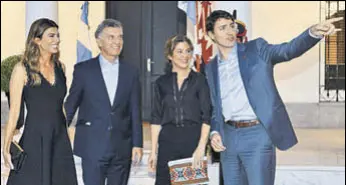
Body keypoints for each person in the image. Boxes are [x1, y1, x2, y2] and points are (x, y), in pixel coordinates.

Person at [204, 10, 343, 185]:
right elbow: (215, 107)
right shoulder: (210, 68)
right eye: (222, 28)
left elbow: (288, 50)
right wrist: (215, 132)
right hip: (228, 139)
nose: (230, 32)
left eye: (232, 26)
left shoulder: (257, 49)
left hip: (257, 135)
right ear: (211, 34)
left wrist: (313, 33)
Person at [64, 19, 143, 185]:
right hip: (92, 147)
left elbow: (135, 110)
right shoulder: (83, 70)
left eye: (120, 37)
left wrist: (138, 144)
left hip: (122, 148)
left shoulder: (131, 72)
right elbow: (71, 106)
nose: (117, 42)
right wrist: (58, 134)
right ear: (99, 41)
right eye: (111, 37)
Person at [2, 18, 78, 185]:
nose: (57, 40)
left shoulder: (61, 68)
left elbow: (60, 106)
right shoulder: (21, 70)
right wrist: (5, 146)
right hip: (35, 138)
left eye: (58, 35)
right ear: (37, 40)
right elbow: (14, 112)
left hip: (59, 138)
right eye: (51, 36)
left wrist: (66, 135)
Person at [148, 35, 212, 185]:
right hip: (167, 143)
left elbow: (206, 116)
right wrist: (153, 151)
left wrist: (201, 147)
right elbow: (156, 118)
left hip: (192, 142)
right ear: (170, 56)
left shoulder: (200, 80)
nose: (185, 56)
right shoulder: (160, 83)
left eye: (188, 51)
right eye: (180, 52)